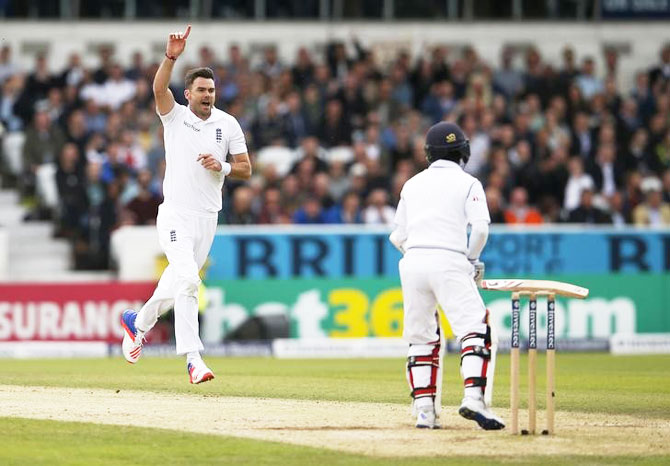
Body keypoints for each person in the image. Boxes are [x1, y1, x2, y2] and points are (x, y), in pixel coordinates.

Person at [120, 25, 251, 384]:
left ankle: (138, 323)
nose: (208, 95)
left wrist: (221, 165)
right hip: (175, 214)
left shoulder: (228, 124)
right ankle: (194, 359)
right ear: (189, 93)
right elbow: (158, 88)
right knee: (190, 280)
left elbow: (245, 168)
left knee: (177, 282)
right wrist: (171, 58)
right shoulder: (175, 116)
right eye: (202, 90)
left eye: (212, 90)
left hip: (208, 219)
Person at [389, 121, 504, 431]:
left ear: (428, 153)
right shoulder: (469, 183)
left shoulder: (411, 184)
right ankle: (473, 399)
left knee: (421, 337)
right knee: (474, 328)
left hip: (412, 261)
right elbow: (480, 229)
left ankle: (425, 412)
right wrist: (471, 259)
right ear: (463, 151)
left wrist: (418, 254)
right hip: (450, 259)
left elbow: (396, 237)